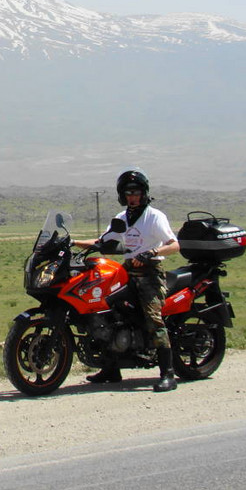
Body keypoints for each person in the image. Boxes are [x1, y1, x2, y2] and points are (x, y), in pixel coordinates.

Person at [72, 168, 181, 392]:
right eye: (129, 192)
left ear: (144, 193)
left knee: (153, 318)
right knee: (109, 313)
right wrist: (73, 242)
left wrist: (151, 253)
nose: (132, 197)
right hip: (127, 271)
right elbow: (103, 241)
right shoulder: (122, 218)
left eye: (136, 192)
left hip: (150, 273)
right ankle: (111, 369)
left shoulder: (154, 216)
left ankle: (168, 374)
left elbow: (174, 244)